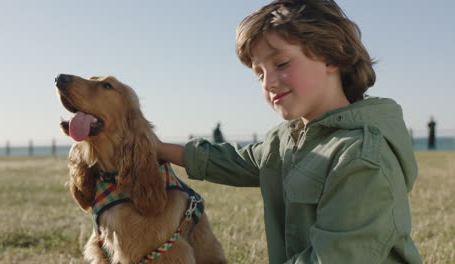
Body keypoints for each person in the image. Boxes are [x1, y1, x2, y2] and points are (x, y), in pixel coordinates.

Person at [156, 0, 421, 263]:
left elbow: (332, 257)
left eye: (281, 64)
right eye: (259, 74)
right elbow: (235, 161)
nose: (268, 82)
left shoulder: (360, 156)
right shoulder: (284, 139)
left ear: (331, 55)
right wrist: (158, 148)